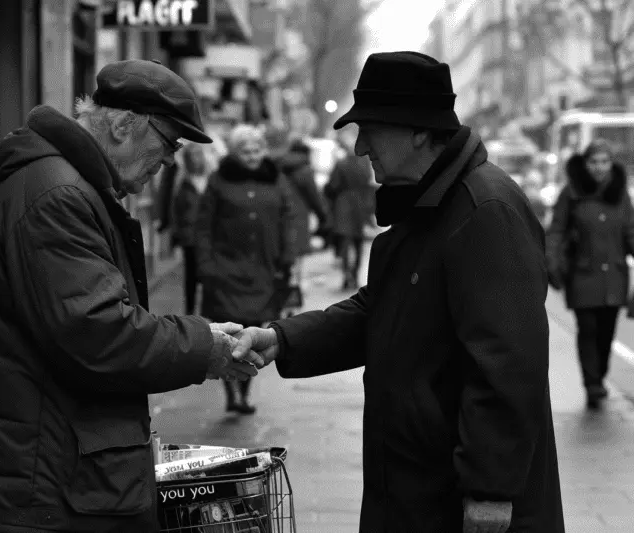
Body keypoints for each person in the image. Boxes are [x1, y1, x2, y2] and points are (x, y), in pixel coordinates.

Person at [233, 52, 564, 533]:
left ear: (419, 131)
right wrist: (283, 339)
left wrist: (490, 490)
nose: (361, 147)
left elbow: (508, 364)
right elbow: (381, 310)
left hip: (457, 496)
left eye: (370, 129)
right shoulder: (429, 201)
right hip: (417, 483)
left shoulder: (484, 211)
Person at [0, 59, 260, 533]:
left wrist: (200, 339)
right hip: (51, 480)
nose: (171, 159)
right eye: (168, 142)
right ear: (122, 124)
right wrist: (203, 347)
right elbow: (98, 333)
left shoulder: (69, 188)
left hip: (57, 470)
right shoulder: (61, 196)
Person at [196, 124, 297, 415]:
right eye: (245, 151)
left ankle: (243, 390)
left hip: (263, 270)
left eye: (256, 151)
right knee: (229, 334)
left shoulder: (276, 179)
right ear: (235, 153)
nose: (252, 156)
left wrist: (287, 257)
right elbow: (203, 226)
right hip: (225, 270)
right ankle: (232, 391)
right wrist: (206, 266)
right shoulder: (219, 180)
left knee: (252, 331)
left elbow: (288, 219)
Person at [546, 139, 634, 409]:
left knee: (607, 330)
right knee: (588, 329)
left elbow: (630, 230)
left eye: (604, 162)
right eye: (594, 162)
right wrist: (552, 261)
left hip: (615, 277)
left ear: (611, 164)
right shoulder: (571, 193)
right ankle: (592, 384)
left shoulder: (621, 194)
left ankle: (600, 375)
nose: (599, 167)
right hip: (583, 275)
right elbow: (557, 230)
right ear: (585, 164)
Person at [325, 128, 378, 290]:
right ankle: (355, 275)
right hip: (360, 204)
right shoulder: (365, 163)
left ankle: (347, 275)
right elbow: (369, 182)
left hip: (343, 205)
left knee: (345, 243)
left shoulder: (341, 164)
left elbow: (332, 186)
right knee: (358, 242)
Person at [172, 142, 213, 314]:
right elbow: (175, 210)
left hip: (210, 236)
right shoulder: (183, 181)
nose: (195, 159)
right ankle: (190, 313)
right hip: (189, 236)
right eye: (191, 156)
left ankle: (209, 311)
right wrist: (176, 235)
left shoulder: (211, 179)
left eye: (198, 155)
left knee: (209, 274)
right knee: (191, 277)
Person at [277, 139, 330, 257]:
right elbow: (314, 197)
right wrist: (323, 216)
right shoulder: (305, 170)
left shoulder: (279, 166)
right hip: (299, 217)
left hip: (280, 215)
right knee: (297, 257)